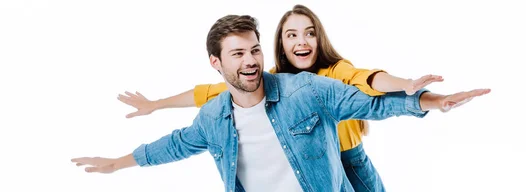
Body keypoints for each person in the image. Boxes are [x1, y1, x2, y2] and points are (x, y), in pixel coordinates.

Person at [71, 14, 490, 192]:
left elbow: (372, 99)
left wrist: (430, 101)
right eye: (237, 54)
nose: (250, 61)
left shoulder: (306, 90)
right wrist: (117, 162)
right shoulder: (214, 115)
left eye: (253, 50)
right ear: (217, 63)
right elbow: (174, 145)